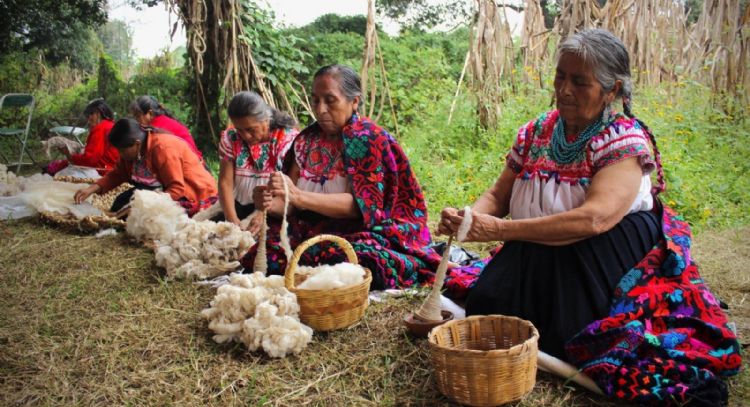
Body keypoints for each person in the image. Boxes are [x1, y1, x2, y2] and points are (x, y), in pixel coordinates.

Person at [439, 29, 740, 405]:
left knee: (571, 329)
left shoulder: (623, 140)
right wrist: (470, 218)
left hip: (604, 241)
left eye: (579, 81)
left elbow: (594, 219)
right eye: (560, 76)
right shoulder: (536, 131)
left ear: (611, 90)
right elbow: (499, 194)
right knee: (487, 303)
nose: (564, 89)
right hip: (536, 237)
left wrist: (502, 230)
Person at [241, 64, 440, 289]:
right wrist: (268, 202)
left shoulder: (369, 140)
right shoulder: (305, 141)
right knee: (266, 254)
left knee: (364, 259)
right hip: (311, 229)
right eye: (316, 100)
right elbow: (290, 206)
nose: (321, 109)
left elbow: (359, 207)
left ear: (354, 101)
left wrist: (297, 195)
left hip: (360, 229)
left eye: (330, 100)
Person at [73, 118, 217, 216]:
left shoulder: (162, 149)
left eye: (122, 150)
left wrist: (146, 204)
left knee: (137, 213)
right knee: (120, 206)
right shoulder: (131, 153)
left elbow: (176, 189)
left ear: (136, 143)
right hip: (157, 190)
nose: (120, 154)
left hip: (190, 194)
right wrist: (92, 189)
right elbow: (117, 174)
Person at [215, 91, 298, 232]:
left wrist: (261, 213)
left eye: (251, 129)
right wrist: (232, 220)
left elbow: (289, 188)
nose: (245, 136)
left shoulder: (286, 139)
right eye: (240, 130)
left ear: (266, 119)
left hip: (276, 211)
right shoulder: (232, 138)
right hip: (238, 206)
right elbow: (225, 182)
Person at [44, 98, 119, 176]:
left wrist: (68, 154)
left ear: (98, 113)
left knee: (65, 174)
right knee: (66, 166)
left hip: (105, 171)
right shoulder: (110, 125)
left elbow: (90, 160)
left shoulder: (100, 129)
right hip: (112, 168)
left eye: (91, 114)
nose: (89, 118)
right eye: (87, 115)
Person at [129, 95, 204, 161]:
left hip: (191, 166)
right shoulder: (164, 120)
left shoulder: (155, 128)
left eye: (138, 116)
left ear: (150, 113)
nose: (136, 121)